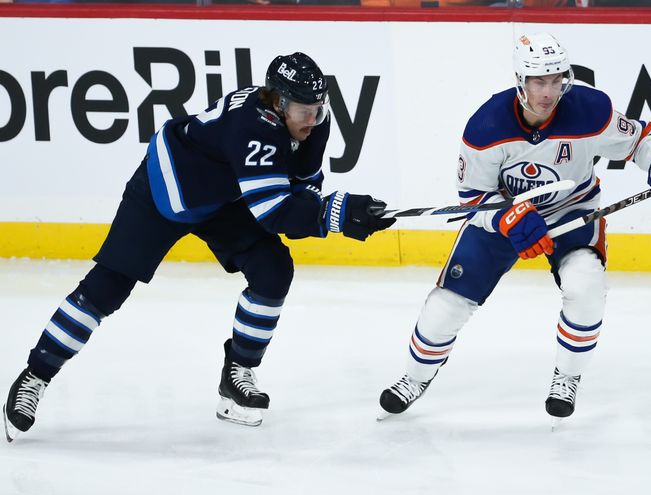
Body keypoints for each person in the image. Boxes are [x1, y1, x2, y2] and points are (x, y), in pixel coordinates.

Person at [3, 52, 395, 441]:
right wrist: (336, 215)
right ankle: (34, 375)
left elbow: (303, 186)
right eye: (303, 110)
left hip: (222, 197)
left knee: (273, 269)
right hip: (166, 189)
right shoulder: (254, 126)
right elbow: (275, 213)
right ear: (277, 101)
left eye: (317, 108)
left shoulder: (313, 122)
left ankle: (236, 374)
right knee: (108, 287)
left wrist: (333, 212)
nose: (312, 119)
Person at [377, 33, 651, 422]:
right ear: (521, 81)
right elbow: (471, 200)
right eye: (538, 82)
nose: (548, 92)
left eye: (556, 80)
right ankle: (415, 378)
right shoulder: (486, 127)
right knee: (443, 308)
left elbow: (638, 141)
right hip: (502, 221)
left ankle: (566, 378)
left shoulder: (590, 110)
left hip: (571, 212)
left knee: (586, 287)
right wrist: (505, 217)